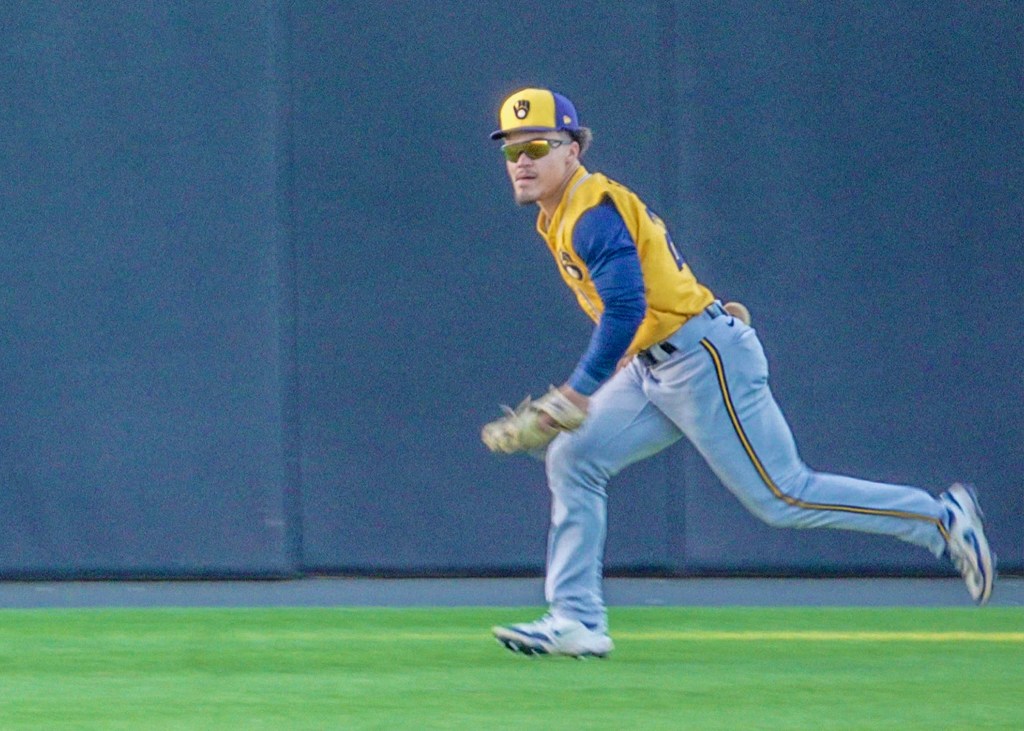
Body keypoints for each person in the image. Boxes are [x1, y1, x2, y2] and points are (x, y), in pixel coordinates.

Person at [481, 87, 996, 659]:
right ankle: (576, 619)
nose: (522, 161)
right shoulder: (561, 213)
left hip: (702, 362)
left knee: (784, 496)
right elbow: (638, 298)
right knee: (574, 458)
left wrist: (578, 391)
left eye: (537, 147)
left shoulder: (590, 214)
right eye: (511, 150)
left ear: (573, 150)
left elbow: (626, 306)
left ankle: (940, 519)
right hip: (658, 364)